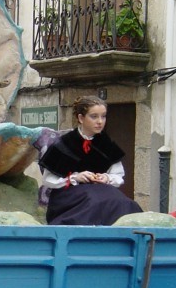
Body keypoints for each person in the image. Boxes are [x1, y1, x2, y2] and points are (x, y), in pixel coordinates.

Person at [39, 96, 142, 225]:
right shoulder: (63, 144)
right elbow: (48, 180)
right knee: (94, 202)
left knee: (125, 203)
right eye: (94, 116)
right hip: (69, 198)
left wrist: (106, 178)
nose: (100, 121)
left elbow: (118, 175)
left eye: (103, 116)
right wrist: (75, 178)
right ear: (81, 118)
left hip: (101, 191)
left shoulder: (106, 144)